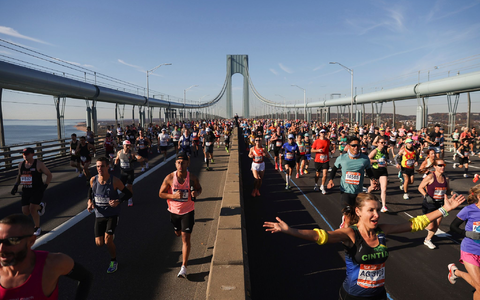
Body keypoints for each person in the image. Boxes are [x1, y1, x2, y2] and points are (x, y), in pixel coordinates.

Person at [264, 192, 465, 300]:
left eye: (377, 210)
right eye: (371, 210)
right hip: (353, 296)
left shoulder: (382, 231)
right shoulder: (351, 233)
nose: (376, 215)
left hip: (378, 294)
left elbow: (414, 224)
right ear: (359, 212)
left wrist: (444, 210)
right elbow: (321, 236)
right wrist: (290, 230)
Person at [0, 214, 93, 299]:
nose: (1, 248)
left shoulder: (53, 263)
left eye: (12, 241)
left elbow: (85, 277)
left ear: (31, 241)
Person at [158, 151, 202, 279]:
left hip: (188, 211)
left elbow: (199, 188)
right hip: (174, 212)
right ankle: (176, 229)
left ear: (188, 163)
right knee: (178, 233)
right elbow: (160, 194)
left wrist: (196, 194)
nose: (181, 165)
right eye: (178, 162)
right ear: (175, 164)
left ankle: (184, 267)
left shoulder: (192, 177)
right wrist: (173, 196)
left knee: (185, 238)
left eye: (183, 162)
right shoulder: (170, 178)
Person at [87, 157, 132, 273]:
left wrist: (118, 201)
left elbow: (128, 194)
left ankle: (114, 260)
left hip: (112, 214)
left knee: (107, 241)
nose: (99, 168)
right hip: (99, 214)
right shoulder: (93, 180)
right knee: (99, 243)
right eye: (97, 166)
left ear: (108, 167)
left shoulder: (115, 181)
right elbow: (90, 192)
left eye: (102, 166)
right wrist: (90, 202)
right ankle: (110, 235)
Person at [327, 137, 377, 228]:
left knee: (357, 217)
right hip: (345, 191)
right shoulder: (342, 158)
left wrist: (373, 179)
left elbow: (369, 171)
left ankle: (350, 228)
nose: (356, 148)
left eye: (358, 146)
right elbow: (334, 170)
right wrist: (330, 180)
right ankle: (346, 238)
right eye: (353, 145)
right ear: (348, 146)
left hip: (358, 192)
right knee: (349, 218)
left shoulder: (365, 159)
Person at [11, 148, 52, 236]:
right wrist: (15, 186)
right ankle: (40, 207)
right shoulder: (21, 164)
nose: (25, 155)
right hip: (26, 190)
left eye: (27, 154)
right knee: (25, 211)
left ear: (32, 154)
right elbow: (19, 175)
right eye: (23, 154)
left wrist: (45, 185)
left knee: (32, 209)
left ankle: (37, 227)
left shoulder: (39, 164)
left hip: (37, 190)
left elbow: (49, 174)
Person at [448, 184, 480, 297]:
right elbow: (453, 227)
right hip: (470, 250)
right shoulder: (469, 210)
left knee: (478, 286)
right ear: (479, 196)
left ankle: (456, 272)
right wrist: (467, 234)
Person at [418, 159, 453, 249]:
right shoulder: (430, 177)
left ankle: (428, 239)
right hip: (430, 204)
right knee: (431, 226)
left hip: (441, 204)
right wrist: (426, 195)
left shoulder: (446, 178)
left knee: (437, 224)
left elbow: (448, 190)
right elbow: (420, 187)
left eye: (443, 165)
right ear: (435, 166)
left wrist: (453, 193)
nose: (442, 167)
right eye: (440, 165)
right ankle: (423, 223)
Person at [114, 140, 144, 207]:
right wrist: (115, 165)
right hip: (123, 173)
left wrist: (135, 159)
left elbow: (141, 159)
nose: (128, 147)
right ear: (123, 145)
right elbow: (117, 159)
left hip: (130, 173)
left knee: (129, 186)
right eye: (126, 145)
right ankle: (127, 195)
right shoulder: (119, 152)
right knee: (120, 187)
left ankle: (129, 199)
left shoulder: (132, 153)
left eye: (129, 145)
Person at [368, 137, 389, 212]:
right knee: (373, 187)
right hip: (375, 170)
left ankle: (383, 206)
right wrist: (377, 160)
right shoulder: (375, 151)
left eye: (384, 143)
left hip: (383, 171)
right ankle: (367, 194)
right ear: (377, 143)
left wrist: (385, 163)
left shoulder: (385, 151)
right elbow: (368, 159)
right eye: (381, 143)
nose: (383, 144)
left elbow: (385, 159)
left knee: (384, 188)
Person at [311, 129, 333, 194]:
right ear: (320, 133)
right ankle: (316, 184)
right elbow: (312, 150)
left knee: (325, 174)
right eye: (322, 132)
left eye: (324, 132)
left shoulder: (328, 141)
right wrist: (318, 150)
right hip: (318, 160)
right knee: (317, 174)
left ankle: (322, 186)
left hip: (325, 159)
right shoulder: (316, 141)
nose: (323, 133)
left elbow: (329, 148)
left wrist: (331, 150)